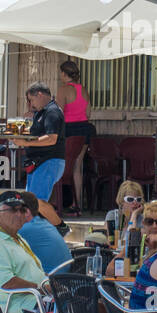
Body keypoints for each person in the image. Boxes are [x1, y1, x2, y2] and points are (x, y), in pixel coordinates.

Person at [7, 82, 66, 205]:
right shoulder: (42, 112)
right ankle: (52, 224)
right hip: (39, 163)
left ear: (39, 95)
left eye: (31, 100)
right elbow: (37, 133)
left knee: (37, 203)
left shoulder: (52, 112)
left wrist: (25, 142)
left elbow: (51, 138)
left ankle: (58, 224)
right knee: (31, 202)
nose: (30, 104)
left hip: (48, 161)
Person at [59, 60, 91, 216]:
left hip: (69, 130)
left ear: (64, 74)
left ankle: (62, 202)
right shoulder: (83, 90)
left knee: (67, 165)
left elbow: (58, 113)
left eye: (61, 73)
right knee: (77, 167)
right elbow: (88, 113)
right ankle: (77, 203)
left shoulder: (64, 90)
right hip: (84, 130)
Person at [17, 190, 71, 274]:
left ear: (27, 212)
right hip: (65, 277)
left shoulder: (25, 228)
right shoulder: (44, 222)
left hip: (50, 282)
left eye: (14, 210)